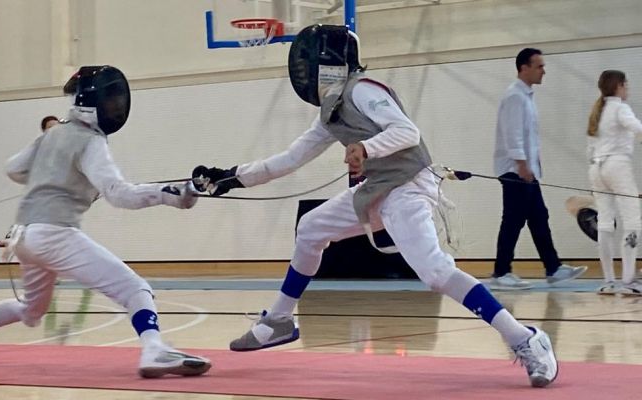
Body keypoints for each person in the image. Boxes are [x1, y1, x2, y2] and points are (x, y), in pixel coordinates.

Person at [193, 25, 557, 388]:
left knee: (435, 272)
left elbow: (407, 132)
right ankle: (279, 320)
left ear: (328, 63)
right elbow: (288, 159)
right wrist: (231, 177)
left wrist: (366, 148)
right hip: (377, 191)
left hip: (408, 187)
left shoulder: (362, 89)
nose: (303, 72)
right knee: (310, 229)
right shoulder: (331, 111)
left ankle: (526, 338)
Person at [0, 65, 211, 379]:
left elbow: (14, 168)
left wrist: (57, 177)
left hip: (24, 237)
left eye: (117, 100)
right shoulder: (90, 140)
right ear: (92, 100)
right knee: (135, 289)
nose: (116, 106)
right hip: (54, 235)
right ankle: (155, 349)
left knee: (31, 310)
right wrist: (172, 195)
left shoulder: (54, 133)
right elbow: (120, 194)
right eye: (111, 100)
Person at [491, 48, 587, 290]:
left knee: (539, 218)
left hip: (526, 170)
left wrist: (530, 167)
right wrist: (522, 165)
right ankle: (501, 272)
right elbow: (513, 134)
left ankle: (553, 268)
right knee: (513, 220)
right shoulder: (514, 96)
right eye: (539, 66)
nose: (544, 71)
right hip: (515, 170)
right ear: (524, 68)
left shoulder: (526, 96)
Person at [586, 70, 642, 296]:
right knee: (632, 220)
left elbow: (590, 147)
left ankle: (608, 281)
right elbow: (637, 129)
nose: (627, 89)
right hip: (617, 166)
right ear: (619, 86)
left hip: (596, 168)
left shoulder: (597, 112)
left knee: (605, 223)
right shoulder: (620, 107)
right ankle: (628, 281)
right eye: (625, 85)